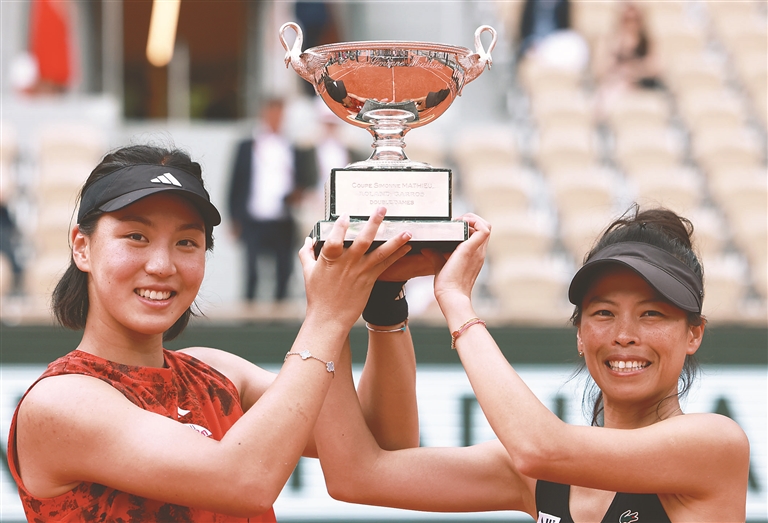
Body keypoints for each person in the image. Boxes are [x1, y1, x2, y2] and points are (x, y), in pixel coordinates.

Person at [7, 144, 421, 521]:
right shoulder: (59, 401)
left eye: (187, 242)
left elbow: (384, 443)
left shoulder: (216, 372)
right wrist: (327, 317)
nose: (162, 265)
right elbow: (245, 482)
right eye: (136, 236)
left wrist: (384, 303)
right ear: (82, 247)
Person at [314, 206, 750, 522]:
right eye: (603, 313)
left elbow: (540, 449)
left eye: (651, 314)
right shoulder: (540, 474)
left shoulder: (715, 444)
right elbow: (356, 475)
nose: (624, 334)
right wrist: (352, 307)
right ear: (580, 335)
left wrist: (456, 301)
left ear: (694, 334)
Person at [228, 97, 317, 303]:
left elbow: (304, 178)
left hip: (283, 217)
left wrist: (296, 195)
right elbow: (235, 181)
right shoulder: (248, 146)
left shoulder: (292, 146)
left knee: (283, 270)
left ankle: (279, 315)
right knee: (251, 271)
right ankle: (249, 314)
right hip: (253, 216)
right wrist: (234, 217)